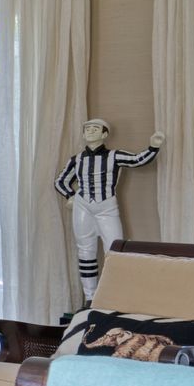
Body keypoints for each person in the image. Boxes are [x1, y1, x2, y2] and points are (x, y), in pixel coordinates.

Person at [55, 117, 162, 300]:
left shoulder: (115, 155)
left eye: (95, 128)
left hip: (107, 207)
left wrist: (153, 147)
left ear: (105, 134)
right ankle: (90, 297)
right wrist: (70, 196)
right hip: (83, 207)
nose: (90, 131)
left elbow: (137, 160)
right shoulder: (77, 159)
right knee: (85, 250)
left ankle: (113, 295)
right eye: (87, 128)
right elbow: (60, 181)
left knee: (115, 250)